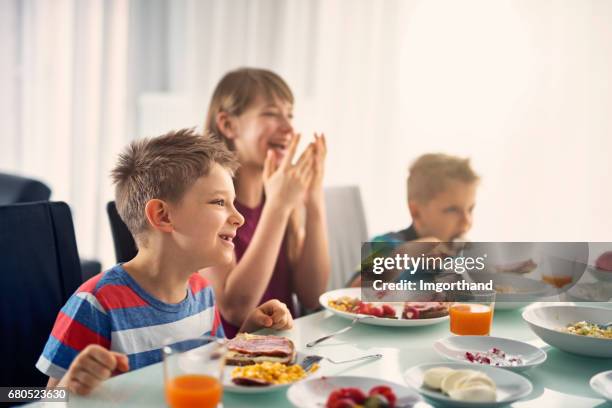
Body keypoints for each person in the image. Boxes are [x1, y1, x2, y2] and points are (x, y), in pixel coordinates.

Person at [36, 129, 293, 395]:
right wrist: (70, 386)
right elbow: (40, 399)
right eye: (219, 202)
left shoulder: (202, 292)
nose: (239, 217)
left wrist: (250, 334)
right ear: (163, 216)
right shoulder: (95, 305)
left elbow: (210, 364)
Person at [201, 67, 331, 337]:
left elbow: (312, 294)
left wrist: (313, 201)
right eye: (271, 114)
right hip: (234, 357)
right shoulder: (208, 204)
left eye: (290, 115)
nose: (288, 128)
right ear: (228, 124)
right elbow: (236, 309)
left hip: (287, 348)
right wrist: (279, 207)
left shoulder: (281, 200)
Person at [351, 153, 480, 286]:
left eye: (470, 209)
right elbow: (352, 293)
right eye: (452, 210)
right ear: (416, 212)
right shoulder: (384, 244)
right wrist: (404, 254)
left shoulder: (458, 255)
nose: (467, 221)